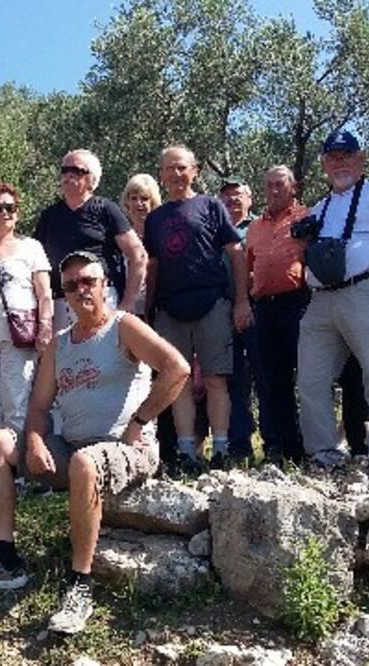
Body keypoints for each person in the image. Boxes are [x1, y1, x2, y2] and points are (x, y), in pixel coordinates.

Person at [0, 250, 187, 634]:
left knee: (84, 463)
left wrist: (140, 421)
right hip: (74, 447)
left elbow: (177, 368)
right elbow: (40, 406)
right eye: (72, 285)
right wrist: (34, 440)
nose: (81, 291)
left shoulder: (124, 326)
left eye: (88, 281)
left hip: (127, 449)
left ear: (105, 285)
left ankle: (81, 584)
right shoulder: (60, 344)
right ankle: (5, 558)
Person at [297, 130, 369, 476]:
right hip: (321, 299)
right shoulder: (321, 206)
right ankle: (323, 455)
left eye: (347, 155)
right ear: (324, 163)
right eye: (333, 156)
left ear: (361, 158)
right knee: (311, 380)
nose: (340, 162)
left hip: (366, 291)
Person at [144, 145, 253, 473]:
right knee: (178, 381)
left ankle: (220, 449)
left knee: (217, 378)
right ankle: (187, 452)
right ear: (161, 174)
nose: (175, 174)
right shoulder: (156, 218)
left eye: (181, 167)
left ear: (194, 170)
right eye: (169, 168)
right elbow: (153, 266)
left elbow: (236, 254)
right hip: (169, 308)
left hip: (212, 303)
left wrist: (241, 301)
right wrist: (148, 310)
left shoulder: (211, 206)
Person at [0, 181, 53, 541]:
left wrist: (46, 326)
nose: (5, 214)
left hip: (19, 338)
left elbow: (44, 293)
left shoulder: (31, 248)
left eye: (10, 208)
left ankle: (23, 477)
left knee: (17, 408)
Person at [34, 149, 147, 327]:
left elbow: (138, 255)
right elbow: (36, 263)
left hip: (100, 296)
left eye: (77, 171)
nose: (69, 175)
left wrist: (128, 303)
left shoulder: (106, 210)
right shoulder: (49, 215)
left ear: (91, 179)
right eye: (65, 170)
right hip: (61, 302)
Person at [245, 166, 311, 464]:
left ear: (293, 187)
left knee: (306, 376)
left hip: (298, 303)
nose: (273, 190)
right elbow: (246, 268)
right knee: (270, 380)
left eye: (280, 185)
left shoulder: (307, 217)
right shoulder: (255, 227)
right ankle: (275, 446)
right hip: (263, 307)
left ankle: (305, 446)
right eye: (269, 185)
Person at [217, 176, 266, 463]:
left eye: (238, 195)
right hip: (221, 312)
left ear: (250, 199)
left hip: (257, 308)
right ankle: (238, 445)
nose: (232, 200)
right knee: (232, 379)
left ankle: (277, 443)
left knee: (265, 375)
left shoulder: (260, 227)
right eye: (226, 196)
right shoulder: (215, 230)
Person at [119, 174, 162, 318]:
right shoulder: (119, 237)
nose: (139, 203)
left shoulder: (162, 235)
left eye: (144, 199)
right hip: (127, 308)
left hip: (159, 308)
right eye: (134, 198)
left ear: (153, 202)